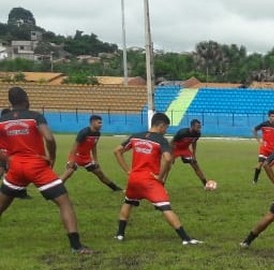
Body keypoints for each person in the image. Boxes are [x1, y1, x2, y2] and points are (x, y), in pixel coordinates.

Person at [0, 87, 93, 254]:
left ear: (10, 103)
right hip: (36, 166)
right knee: (64, 202)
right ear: (26, 100)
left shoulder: (3, 120)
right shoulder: (35, 116)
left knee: (2, 205)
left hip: (15, 167)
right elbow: (49, 138)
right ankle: (76, 246)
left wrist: (8, 160)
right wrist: (52, 157)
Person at [113, 112, 202, 245]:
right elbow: (167, 158)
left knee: (128, 202)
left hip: (134, 179)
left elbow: (117, 151)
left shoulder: (135, 137)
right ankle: (186, 239)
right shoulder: (160, 140)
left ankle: (119, 234)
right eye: (166, 128)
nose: (165, 131)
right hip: (150, 181)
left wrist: (128, 171)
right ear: (161, 126)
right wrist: (160, 177)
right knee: (166, 208)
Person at [60, 114, 124, 192]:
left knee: (99, 173)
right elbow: (74, 147)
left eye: (101, 123)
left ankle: (115, 188)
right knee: (68, 173)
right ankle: (54, 189)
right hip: (76, 157)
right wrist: (72, 160)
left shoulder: (97, 133)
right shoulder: (84, 132)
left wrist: (95, 160)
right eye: (99, 123)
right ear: (93, 122)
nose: (101, 125)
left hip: (86, 158)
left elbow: (94, 146)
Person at [167, 118, 209, 188]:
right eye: (197, 127)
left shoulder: (198, 134)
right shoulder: (182, 132)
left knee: (195, 165)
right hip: (175, 149)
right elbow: (172, 142)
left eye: (200, 127)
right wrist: (171, 154)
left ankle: (206, 184)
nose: (199, 129)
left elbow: (194, 143)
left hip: (185, 150)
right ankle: (160, 184)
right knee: (167, 166)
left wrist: (194, 155)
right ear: (192, 126)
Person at [252, 110, 274, 185]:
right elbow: (254, 130)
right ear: (269, 117)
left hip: (273, 149)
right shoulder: (264, 124)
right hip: (265, 149)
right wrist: (259, 140)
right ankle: (255, 180)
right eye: (272, 116)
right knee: (260, 164)